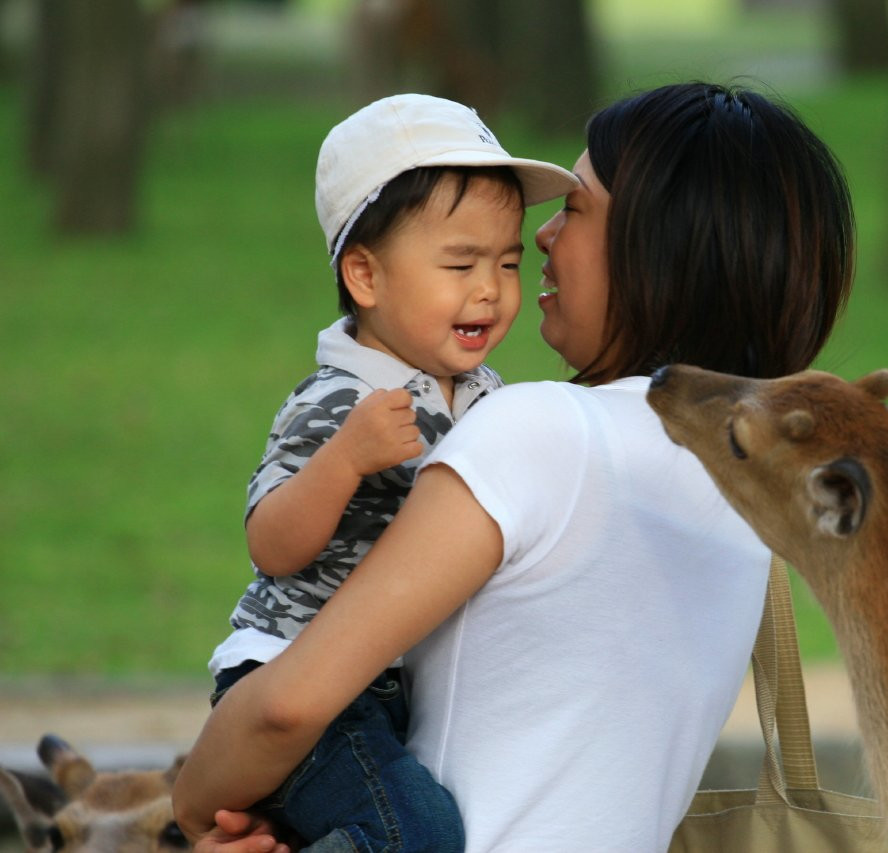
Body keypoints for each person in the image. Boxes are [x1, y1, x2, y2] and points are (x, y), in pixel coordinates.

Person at [173, 81, 855, 852]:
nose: (543, 237)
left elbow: (284, 709)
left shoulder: (538, 431)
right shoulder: (749, 490)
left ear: (654, 245)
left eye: (577, 209)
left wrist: (190, 804)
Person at [205, 93, 577, 852]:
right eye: (460, 264)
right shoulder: (338, 399)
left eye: (508, 262)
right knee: (419, 832)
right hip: (298, 677)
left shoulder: (483, 394)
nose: (491, 288)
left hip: (382, 684)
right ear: (365, 277)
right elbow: (270, 544)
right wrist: (343, 460)